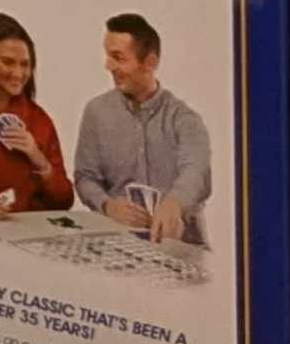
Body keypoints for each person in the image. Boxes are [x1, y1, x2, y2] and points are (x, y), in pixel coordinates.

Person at [72, 13, 213, 247]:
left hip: (180, 247)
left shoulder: (186, 120)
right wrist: (108, 206)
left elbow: (196, 172)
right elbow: (85, 177)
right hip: (119, 247)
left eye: (118, 58)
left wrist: (174, 204)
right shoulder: (96, 112)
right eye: (108, 56)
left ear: (150, 63)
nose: (108, 66)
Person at [0, 11, 72, 217]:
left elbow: (64, 200)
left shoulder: (40, 120)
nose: (18, 73)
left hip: (29, 229)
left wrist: (39, 160)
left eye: (25, 64)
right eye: (8, 62)